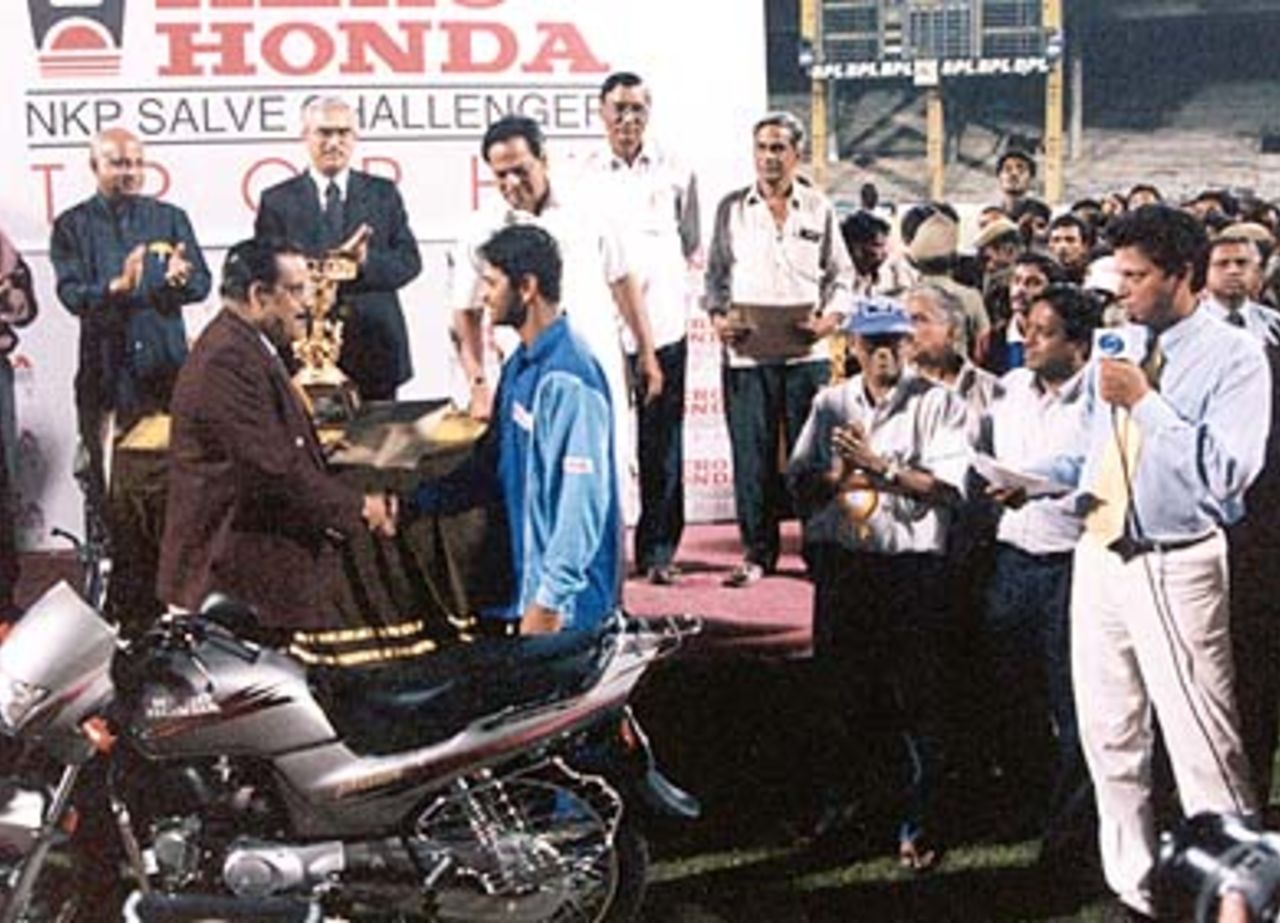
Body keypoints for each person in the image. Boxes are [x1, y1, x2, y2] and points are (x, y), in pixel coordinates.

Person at [1044, 205, 1267, 921]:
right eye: (1120, 275)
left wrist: (1147, 402)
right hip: (1101, 554)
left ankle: (1240, 892)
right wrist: (1035, 481)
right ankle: (1137, 889)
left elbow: (1226, 473)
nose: (1123, 290)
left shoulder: (1235, 357)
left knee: (1204, 742)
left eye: (1137, 278)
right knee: (1109, 735)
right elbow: (1094, 447)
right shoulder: (1122, 341)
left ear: (1182, 275)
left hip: (1176, 560)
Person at [787, 296, 969, 871]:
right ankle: (849, 812)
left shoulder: (938, 403)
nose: (886, 352)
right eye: (874, 343)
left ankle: (922, 821)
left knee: (919, 698)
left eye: (896, 340)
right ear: (855, 349)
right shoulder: (830, 402)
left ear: (910, 345)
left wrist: (879, 466)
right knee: (843, 695)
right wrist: (838, 474)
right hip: (848, 562)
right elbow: (801, 486)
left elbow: (945, 488)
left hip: (912, 567)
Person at [156, 238, 396, 631]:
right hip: (223, 583)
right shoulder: (227, 358)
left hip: (245, 582)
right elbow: (270, 469)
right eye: (297, 290)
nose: (308, 304)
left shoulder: (243, 344)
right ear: (258, 294)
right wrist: (358, 507)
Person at [420, 224, 621, 636]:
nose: (483, 296)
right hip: (522, 598)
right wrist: (408, 503)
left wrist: (549, 602)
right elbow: (488, 466)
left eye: (492, 283)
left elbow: (580, 505)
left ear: (526, 287)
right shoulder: (519, 364)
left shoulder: (571, 378)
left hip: (565, 614)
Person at [452, 115, 661, 496]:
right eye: (500, 175)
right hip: (526, 373)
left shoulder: (591, 208)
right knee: (536, 479)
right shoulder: (480, 229)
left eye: (520, 170)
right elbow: (464, 312)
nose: (511, 184)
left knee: (603, 473)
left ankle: (608, 557)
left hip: (595, 364)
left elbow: (623, 282)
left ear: (543, 159)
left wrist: (646, 353)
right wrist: (478, 382)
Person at [981, 283, 1100, 886]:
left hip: (1071, 565)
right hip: (1013, 559)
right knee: (1013, 697)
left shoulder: (1102, 398)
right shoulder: (1009, 394)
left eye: (1045, 331)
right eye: (1027, 328)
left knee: (1074, 708)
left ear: (1078, 343)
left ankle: (1072, 839)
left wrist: (1043, 485)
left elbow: (1095, 474)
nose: (1029, 339)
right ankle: (1029, 806)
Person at [704, 111, 854, 587]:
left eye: (778, 148)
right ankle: (757, 554)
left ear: (797, 153)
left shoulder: (819, 207)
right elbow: (714, 280)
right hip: (747, 357)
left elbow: (842, 277)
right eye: (761, 148)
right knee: (752, 457)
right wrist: (719, 319)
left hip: (807, 356)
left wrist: (829, 320)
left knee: (810, 460)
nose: (768, 158)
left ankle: (817, 549)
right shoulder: (731, 208)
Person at [50, 127, 211, 529]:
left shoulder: (170, 218)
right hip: (106, 375)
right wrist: (115, 288)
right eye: (119, 163)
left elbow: (202, 284)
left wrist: (181, 281)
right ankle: (121, 581)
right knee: (110, 491)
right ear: (94, 166)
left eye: (138, 163)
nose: (131, 172)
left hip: (167, 373)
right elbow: (71, 295)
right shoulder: (72, 225)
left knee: (177, 484)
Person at [581, 71, 698, 586]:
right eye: (618, 109)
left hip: (666, 328)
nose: (628, 119)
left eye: (637, 110)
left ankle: (657, 551)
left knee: (662, 445)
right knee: (599, 443)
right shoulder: (580, 175)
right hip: (602, 332)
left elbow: (690, 240)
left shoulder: (677, 170)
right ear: (601, 113)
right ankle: (600, 548)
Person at [255, 97, 422, 401]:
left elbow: (409, 262)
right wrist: (322, 272)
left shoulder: (383, 193)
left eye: (343, 133)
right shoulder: (277, 200)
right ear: (305, 135)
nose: (334, 142)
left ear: (355, 137)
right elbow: (267, 273)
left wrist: (363, 264)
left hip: (376, 349)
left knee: (377, 446)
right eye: (324, 133)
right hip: (304, 351)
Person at [1200, 233, 1280, 807]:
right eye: (1222, 263)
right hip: (1204, 520)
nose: (1232, 273)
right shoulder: (1183, 337)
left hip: (1265, 526)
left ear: (1260, 272)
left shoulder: (1273, 333)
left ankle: (1251, 788)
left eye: (1243, 264)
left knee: (1256, 658)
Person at [0, 230, 37, 621]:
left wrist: (11, 295)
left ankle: (2, 601)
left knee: (0, 485)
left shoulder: (4, 251)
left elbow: (29, 311)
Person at [996, 147, 1036, 215]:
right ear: (999, 177)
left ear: (1031, 178)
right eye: (1008, 169)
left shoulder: (1042, 215)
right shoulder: (986, 215)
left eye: (1021, 170)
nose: (1014, 174)